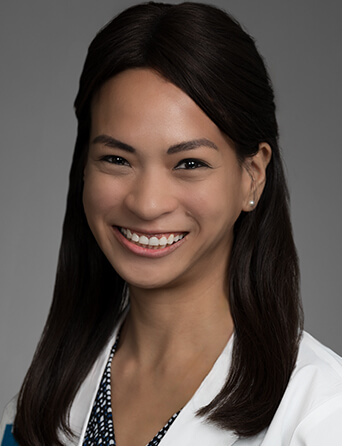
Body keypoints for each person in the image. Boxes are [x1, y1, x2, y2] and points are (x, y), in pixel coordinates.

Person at [1, 2, 342, 445]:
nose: (146, 203)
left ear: (252, 175)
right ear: (83, 166)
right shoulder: (41, 402)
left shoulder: (320, 412)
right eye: (117, 159)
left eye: (189, 163)